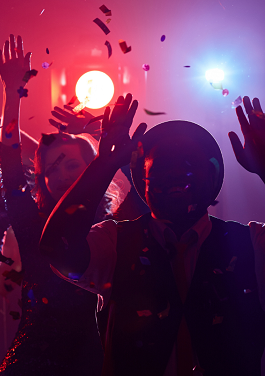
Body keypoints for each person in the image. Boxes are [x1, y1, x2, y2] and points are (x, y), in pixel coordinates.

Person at [40, 93, 265, 375]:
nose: (175, 179)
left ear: (214, 177)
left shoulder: (252, 245)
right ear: (141, 184)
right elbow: (57, 248)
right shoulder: (114, 243)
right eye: (161, 170)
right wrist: (105, 163)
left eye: (188, 167)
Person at [0, 35, 123, 375]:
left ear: (90, 167)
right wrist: (12, 92)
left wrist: (94, 138)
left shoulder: (114, 227)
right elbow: (8, 163)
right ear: (43, 182)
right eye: (52, 169)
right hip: (35, 363)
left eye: (72, 164)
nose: (64, 175)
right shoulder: (31, 224)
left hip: (99, 363)